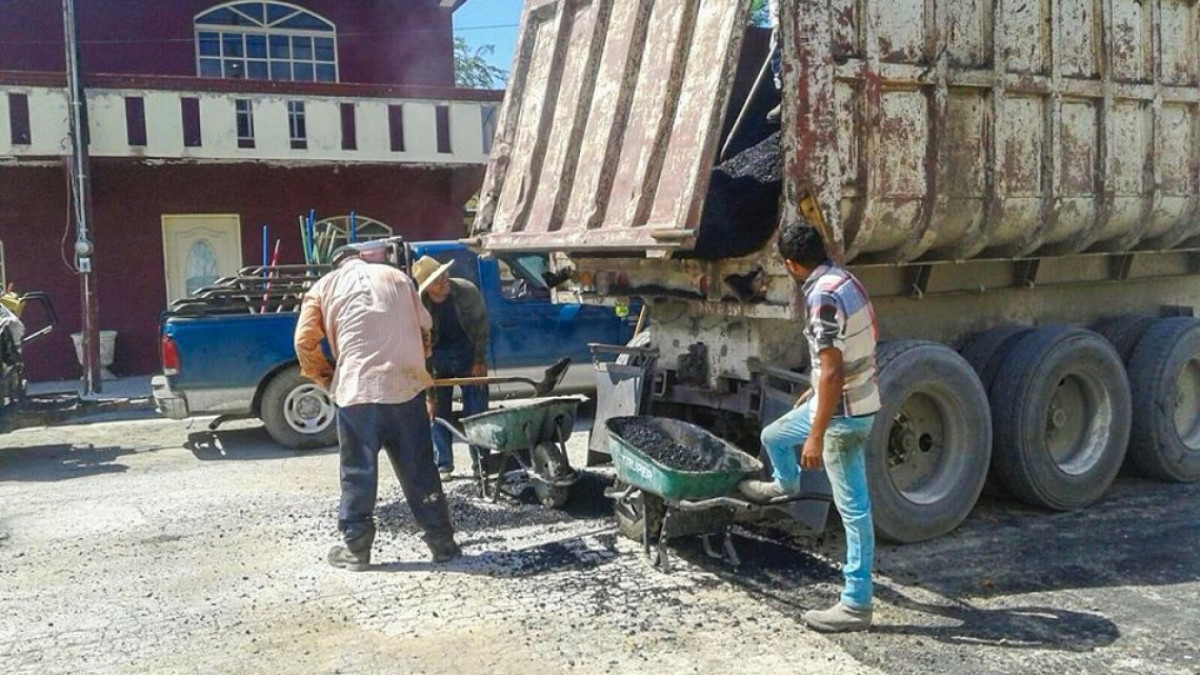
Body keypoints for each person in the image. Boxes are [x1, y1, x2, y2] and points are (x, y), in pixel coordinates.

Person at [738, 220, 880, 633]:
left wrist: (816, 433)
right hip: (839, 400)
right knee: (773, 436)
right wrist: (816, 390)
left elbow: (834, 369)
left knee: (854, 511)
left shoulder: (820, 298)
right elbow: (856, 346)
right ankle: (787, 484)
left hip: (843, 416)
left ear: (791, 264)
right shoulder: (845, 280)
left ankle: (856, 604)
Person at [294, 246, 461, 570]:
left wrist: (326, 379)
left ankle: (357, 549)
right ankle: (442, 544)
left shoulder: (323, 286)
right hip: (405, 389)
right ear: (364, 258)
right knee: (421, 469)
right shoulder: (399, 278)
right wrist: (418, 372)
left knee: (358, 472)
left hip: (358, 393)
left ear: (336, 264)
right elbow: (425, 330)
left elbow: (304, 342)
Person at [410, 256, 491, 482]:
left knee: (477, 411)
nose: (444, 280)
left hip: (467, 354)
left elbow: (481, 328)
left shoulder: (467, 291)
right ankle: (444, 464)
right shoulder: (420, 306)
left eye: (443, 274)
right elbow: (419, 346)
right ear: (428, 287)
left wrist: (479, 360)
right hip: (436, 361)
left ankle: (482, 464)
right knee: (437, 413)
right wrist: (428, 393)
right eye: (437, 279)